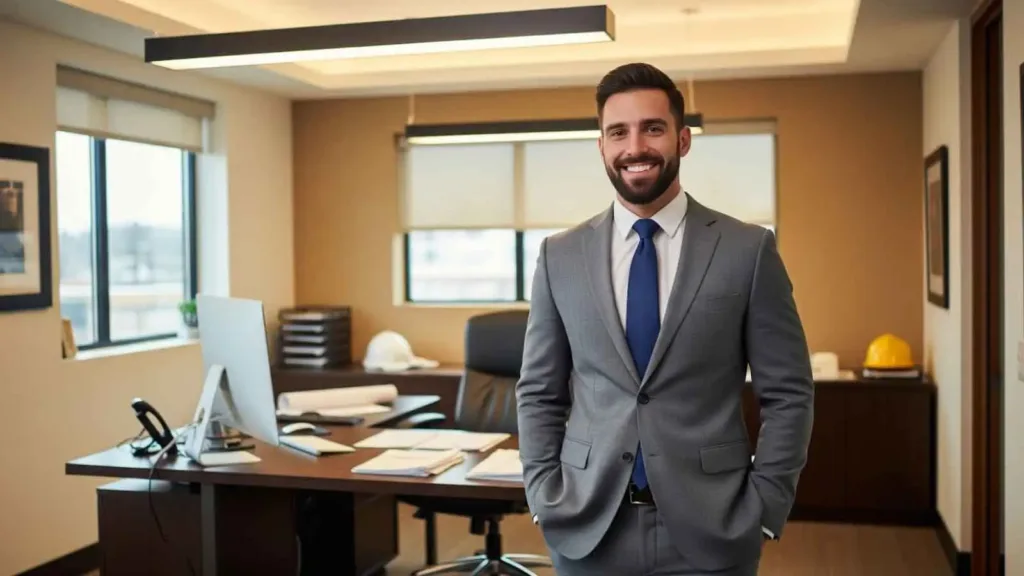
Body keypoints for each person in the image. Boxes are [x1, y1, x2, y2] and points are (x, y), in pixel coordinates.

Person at [515, 62, 814, 576]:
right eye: (618, 132)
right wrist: (543, 493)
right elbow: (539, 391)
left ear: (683, 140)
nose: (636, 147)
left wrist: (765, 506)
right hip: (587, 527)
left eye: (653, 128)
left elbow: (788, 392)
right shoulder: (559, 255)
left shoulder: (748, 250)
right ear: (602, 146)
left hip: (713, 528)